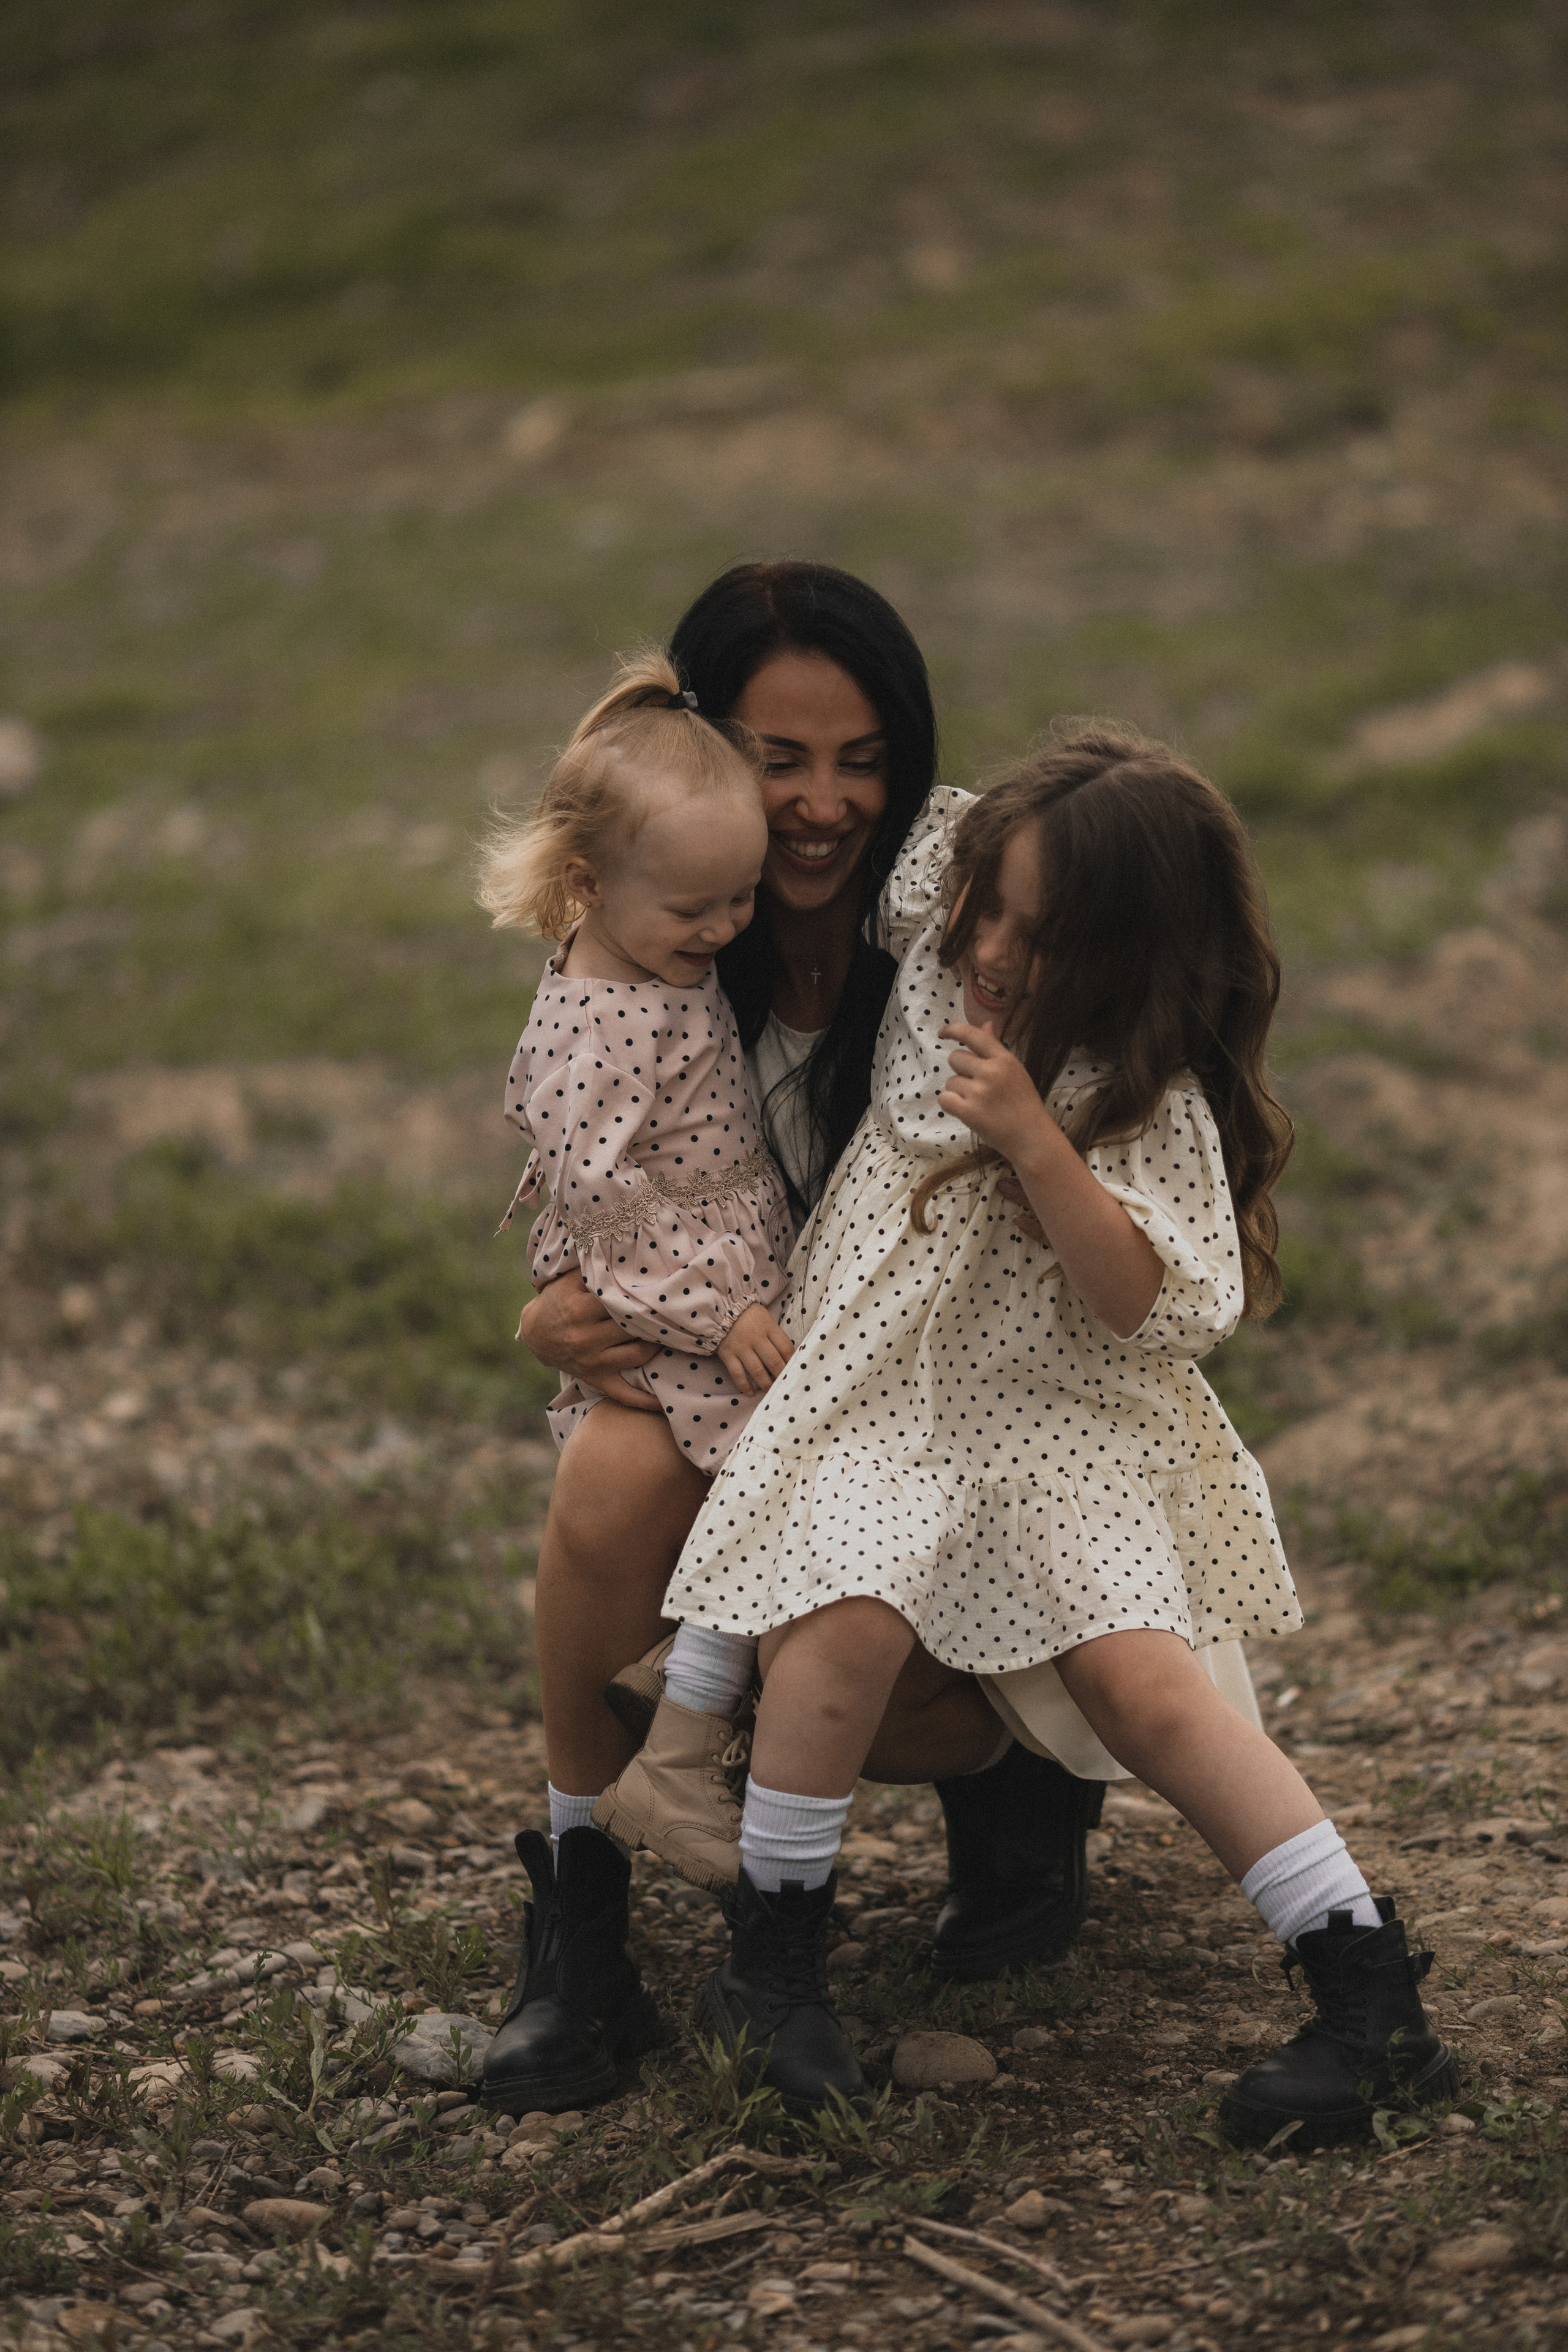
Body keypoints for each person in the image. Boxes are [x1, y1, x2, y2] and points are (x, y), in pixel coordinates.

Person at [645, 727, 1456, 2144]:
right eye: (989, 905)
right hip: (886, 1407)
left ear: (1135, 955)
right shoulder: (945, 938)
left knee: (1153, 1691)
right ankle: (770, 1971)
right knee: (842, 1621)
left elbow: (1155, 1308)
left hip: (1059, 1432)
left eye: (1043, 930)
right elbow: (842, 831)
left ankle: (1368, 1996)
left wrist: (1038, 1143)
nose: (996, 949)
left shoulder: (1141, 1097)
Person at [477, 564, 1104, 2120]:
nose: (822, 806)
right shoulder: (663, 937)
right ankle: (581, 1909)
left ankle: (1005, 1783)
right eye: (777, 758)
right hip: (734, 1386)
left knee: (849, 1636)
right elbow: (589, 1166)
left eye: (862, 758)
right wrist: (552, 1307)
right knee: (611, 1475)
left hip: (942, 1415)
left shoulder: (965, 934)